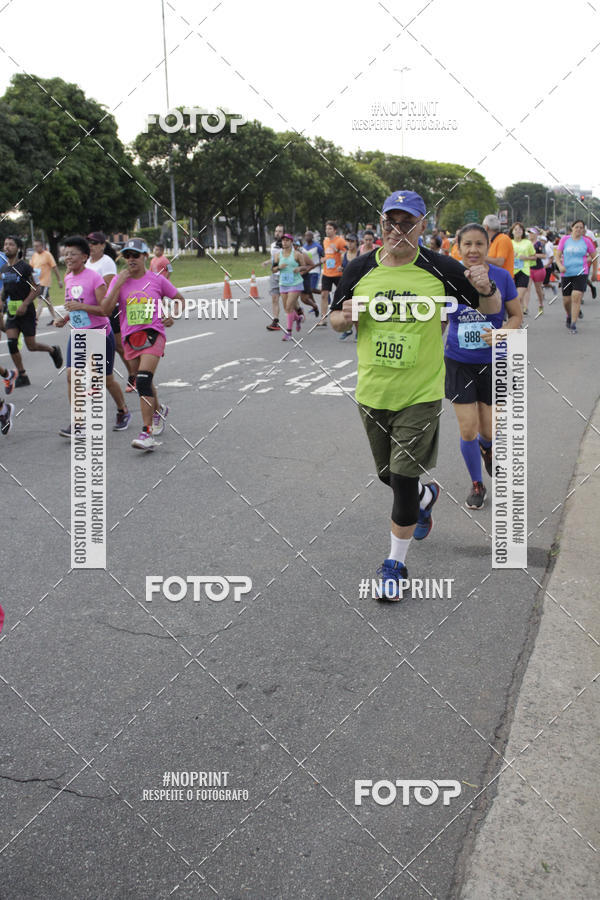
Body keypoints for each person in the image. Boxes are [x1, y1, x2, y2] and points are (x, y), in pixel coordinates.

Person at [329, 190, 501, 598]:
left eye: (407, 223)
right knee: (388, 475)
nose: (398, 230)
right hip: (372, 391)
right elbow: (335, 318)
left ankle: (395, 565)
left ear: (423, 226)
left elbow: (491, 308)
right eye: (391, 221)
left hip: (420, 393)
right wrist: (343, 317)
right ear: (381, 224)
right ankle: (427, 496)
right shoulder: (358, 269)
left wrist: (486, 284)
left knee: (402, 479)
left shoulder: (441, 269)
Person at [444, 224, 522, 509]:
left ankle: (487, 448)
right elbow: (439, 319)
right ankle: (477, 483)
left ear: (488, 247)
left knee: (488, 430)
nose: (473, 250)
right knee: (467, 429)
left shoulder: (501, 276)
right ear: (458, 247)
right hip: (458, 362)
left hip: (492, 362)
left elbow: (516, 316)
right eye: (468, 244)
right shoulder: (449, 278)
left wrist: (504, 333)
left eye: (479, 244)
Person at [101, 238, 185, 451]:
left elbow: (180, 299)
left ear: (145, 256)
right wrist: (118, 284)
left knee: (144, 380)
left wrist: (172, 315)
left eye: (135, 255)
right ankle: (159, 410)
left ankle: (146, 432)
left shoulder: (156, 279)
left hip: (153, 334)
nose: (131, 259)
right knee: (142, 383)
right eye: (127, 255)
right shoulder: (119, 281)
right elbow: (105, 310)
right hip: (131, 338)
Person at [52, 236, 131, 438]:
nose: (68, 257)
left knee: (106, 380)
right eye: (66, 253)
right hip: (78, 334)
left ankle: (123, 410)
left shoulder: (94, 278)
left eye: (73, 254)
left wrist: (82, 307)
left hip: (99, 334)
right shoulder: (69, 277)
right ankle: (78, 423)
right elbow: (73, 304)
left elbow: (105, 310)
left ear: (85, 256)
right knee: (71, 376)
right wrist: (65, 317)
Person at [0, 235, 62, 386]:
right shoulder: (3, 268)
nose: (7, 247)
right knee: (11, 342)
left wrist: (25, 304)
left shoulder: (25, 268)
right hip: (12, 312)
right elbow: (5, 289)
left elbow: (37, 289)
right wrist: (1, 302)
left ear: (18, 248)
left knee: (31, 346)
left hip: (26, 312)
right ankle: (22, 374)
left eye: (11, 245)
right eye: (5, 244)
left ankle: (53, 350)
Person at [86, 232, 136, 392]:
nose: (91, 246)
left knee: (119, 346)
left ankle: (134, 375)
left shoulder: (106, 262)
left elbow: (108, 288)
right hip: (92, 311)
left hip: (109, 309)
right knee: (94, 346)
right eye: (89, 242)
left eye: (94, 243)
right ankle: (96, 380)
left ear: (102, 245)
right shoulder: (87, 262)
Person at [271, 234, 313, 341]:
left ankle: (288, 332)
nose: (284, 242)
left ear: (291, 242)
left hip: (295, 283)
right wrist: (278, 267)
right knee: (287, 308)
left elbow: (305, 266)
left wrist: (299, 268)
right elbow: (273, 269)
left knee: (289, 307)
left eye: (287, 240)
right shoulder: (278, 255)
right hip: (283, 284)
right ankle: (298, 318)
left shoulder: (297, 255)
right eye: (283, 240)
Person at [557, 220, 595, 334]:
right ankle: (569, 315)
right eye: (576, 227)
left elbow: (594, 256)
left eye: (581, 228)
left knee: (576, 296)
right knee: (566, 300)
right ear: (572, 228)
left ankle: (573, 323)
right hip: (567, 273)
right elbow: (557, 255)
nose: (579, 229)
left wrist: (593, 274)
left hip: (581, 272)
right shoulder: (565, 240)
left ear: (584, 230)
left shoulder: (587, 241)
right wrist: (560, 266)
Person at [319, 221, 346, 325]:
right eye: (326, 229)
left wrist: (338, 252)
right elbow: (327, 254)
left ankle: (345, 315)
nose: (327, 231)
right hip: (327, 272)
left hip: (338, 273)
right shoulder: (325, 241)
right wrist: (323, 259)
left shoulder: (340, 241)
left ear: (335, 230)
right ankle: (323, 318)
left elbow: (347, 253)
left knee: (341, 295)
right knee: (324, 295)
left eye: (330, 229)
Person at [30, 238, 63, 323]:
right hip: (37, 282)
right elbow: (31, 268)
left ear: (42, 246)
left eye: (37, 246)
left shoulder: (47, 255)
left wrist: (59, 280)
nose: (35, 248)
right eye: (34, 246)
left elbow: (54, 267)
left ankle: (35, 319)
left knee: (40, 300)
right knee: (48, 301)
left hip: (45, 282)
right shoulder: (34, 256)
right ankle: (55, 318)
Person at [509, 222, 536, 315]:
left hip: (523, 271)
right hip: (511, 272)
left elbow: (534, 257)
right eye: (515, 229)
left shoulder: (527, 243)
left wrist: (526, 258)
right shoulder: (508, 242)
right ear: (512, 231)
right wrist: (512, 256)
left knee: (519, 297)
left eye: (520, 229)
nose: (518, 231)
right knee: (514, 299)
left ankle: (516, 319)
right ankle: (518, 320)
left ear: (523, 232)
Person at [339, 235, 360, 341]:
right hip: (346, 284)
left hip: (358, 284)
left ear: (356, 242)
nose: (350, 243)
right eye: (348, 241)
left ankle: (357, 332)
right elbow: (343, 268)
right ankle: (347, 329)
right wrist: (341, 269)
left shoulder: (360, 255)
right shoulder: (344, 255)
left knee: (355, 309)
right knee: (346, 308)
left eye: (352, 241)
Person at [263, 224, 284, 331]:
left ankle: (298, 311)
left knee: (288, 301)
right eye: (276, 231)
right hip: (275, 275)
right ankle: (275, 321)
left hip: (286, 276)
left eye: (280, 231)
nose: (277, 233)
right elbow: (274, 258)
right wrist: (267, 262)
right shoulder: (273, 245)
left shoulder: (288, 245)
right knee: (275, 298)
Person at [300, 230, 322, 316]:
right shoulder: (303, 247)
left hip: (315, 270)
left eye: (309, 236)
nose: (307, 237)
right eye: (305, 236)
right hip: (306, 271)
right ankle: (314, 305)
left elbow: (323, 257)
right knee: (309, 292)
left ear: (312, 237)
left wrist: (319, 264)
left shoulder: (317, 246)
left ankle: (324, 292)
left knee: (312, 289)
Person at [526, 227, 547, 315]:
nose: (530, 234)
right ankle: (525, 307)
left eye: (532, 233)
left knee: (538, 289)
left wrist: (534, 255)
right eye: (529, 233)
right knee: (527, 288)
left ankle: (541, 304)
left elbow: (544, 256)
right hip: (528, 269)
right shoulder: (526, 244)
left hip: (538, 269)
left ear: (536, 235)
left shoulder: (540, 244)